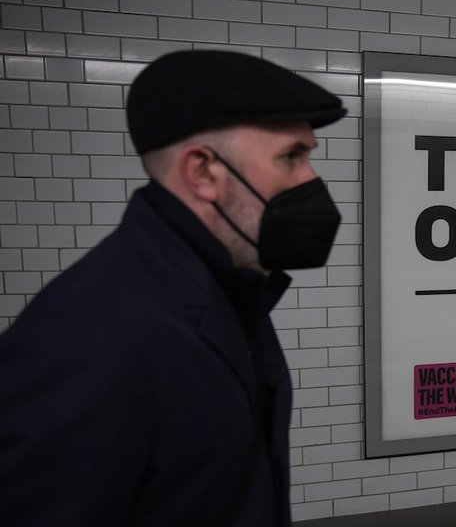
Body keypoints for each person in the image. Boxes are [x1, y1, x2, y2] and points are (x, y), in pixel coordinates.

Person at [0, 50, 346, 526]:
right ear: (202, 171)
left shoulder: (232, 291)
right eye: (292, 157)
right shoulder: (84, 341)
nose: (311, 181)